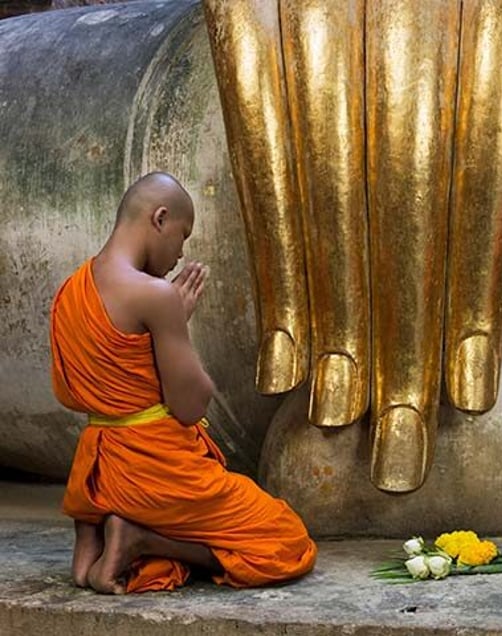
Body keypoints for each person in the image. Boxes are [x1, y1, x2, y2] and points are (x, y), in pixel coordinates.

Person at [50, 172, 317, 594]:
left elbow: (76, 389)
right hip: (156, 469)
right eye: (182, 234)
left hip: (98, 472)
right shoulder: (154, 295)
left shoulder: (71, 290)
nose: (180, 252)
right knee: (286, 540)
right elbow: (190, 405)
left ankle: (95, 540)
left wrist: (166, 328)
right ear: (160, 218)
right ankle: (141, 539)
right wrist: (175, 322)